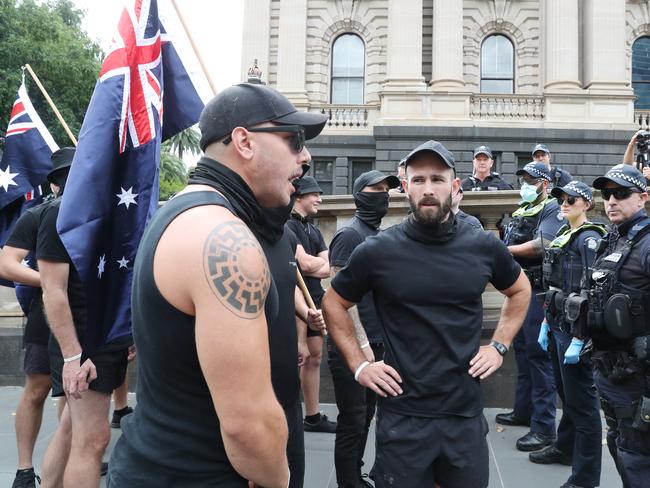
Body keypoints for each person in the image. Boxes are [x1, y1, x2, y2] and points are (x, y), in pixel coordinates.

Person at [107, 83, 328, 488]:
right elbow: (249, 425)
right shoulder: (224, 239)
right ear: (244, 141)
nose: (305, 156)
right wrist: (281, 478)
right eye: (294, 140)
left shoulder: (185, 214)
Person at [323, 140, 531, 488]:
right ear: (405, 188)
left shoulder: (482, 244)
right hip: (404, 417)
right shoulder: (378, 250)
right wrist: (360, 364)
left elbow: (520, 289)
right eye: (418, 180)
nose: (428, 189)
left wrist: (498, 346)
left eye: (437, 179)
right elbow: (334, 302)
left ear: (455, 185)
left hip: (463, 414)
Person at [36, 149, 133, 487]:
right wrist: (73, 355)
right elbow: (53, 290)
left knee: (71, 430)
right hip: (83, 339)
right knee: (91, 441)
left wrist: (128, 332)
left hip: (109, 336)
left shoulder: (117, 207)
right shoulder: (60, 213)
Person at [0, 148, 73, 488]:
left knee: (76, 394)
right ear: (54, 184)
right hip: (45, 315)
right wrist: (49, 281)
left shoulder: (102, 214)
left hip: (88, 317)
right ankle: (25, 470)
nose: (68, 183)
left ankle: (70, 459)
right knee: (38, 388)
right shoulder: (39, 215)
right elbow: (8, 262)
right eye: (62, 177)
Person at [327, 169, 399, 488]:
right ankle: (347, 482)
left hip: (376, 345)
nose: (384, 194)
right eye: (377, 189)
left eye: (387, 189)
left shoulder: (376, 234)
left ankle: (356, 473)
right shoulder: (349, 235)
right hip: (352, 349)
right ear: (359, 195)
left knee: (366, 415)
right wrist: (362, 346)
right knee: (353, 419)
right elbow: (338, 295)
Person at [535, 181, 606, 488]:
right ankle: (565, 447)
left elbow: (593, 288)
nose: (564, 203)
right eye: (561, 199)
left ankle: (585, 478)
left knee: (583, 406)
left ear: (587, 204)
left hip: (574, 330)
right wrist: (546, 323)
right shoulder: (566, 234)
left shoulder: (588, 238)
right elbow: (558, 285)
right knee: (568, 396)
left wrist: (582, 336)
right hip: (558, 323)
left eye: (571, 199)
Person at [586, 164, 650, 488]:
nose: (611, 200)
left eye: (621, 193)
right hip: (610, 372)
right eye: (607, 193)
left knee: (637, 459)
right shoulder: (612, 240)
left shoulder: (647, 243)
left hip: (638, 379)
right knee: (620, 448)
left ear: (643, 198)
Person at [499, 161, 566, 452]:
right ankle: (523, 410)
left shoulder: (551, 208)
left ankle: (544, 429)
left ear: (545, 184)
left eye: (531, 180)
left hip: (539, 292)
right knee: (524, 354)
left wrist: (502, 249)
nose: (526, 184)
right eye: (523, 179)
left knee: (539, 358)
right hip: (520, 290)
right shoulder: (521, 210)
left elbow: (544, 243)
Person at [285, 176, 336, 433]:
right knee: (299, 355)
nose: (319, 199)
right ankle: (290, 414)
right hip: (295, 301)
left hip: (315, 297)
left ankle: (312, 415)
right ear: (300, 197)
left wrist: (313, 265)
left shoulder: (313, 230)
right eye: (315, 194)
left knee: (315, 357)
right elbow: (304, 265)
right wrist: (314, 264)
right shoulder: (288, 226)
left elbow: (327, 269)